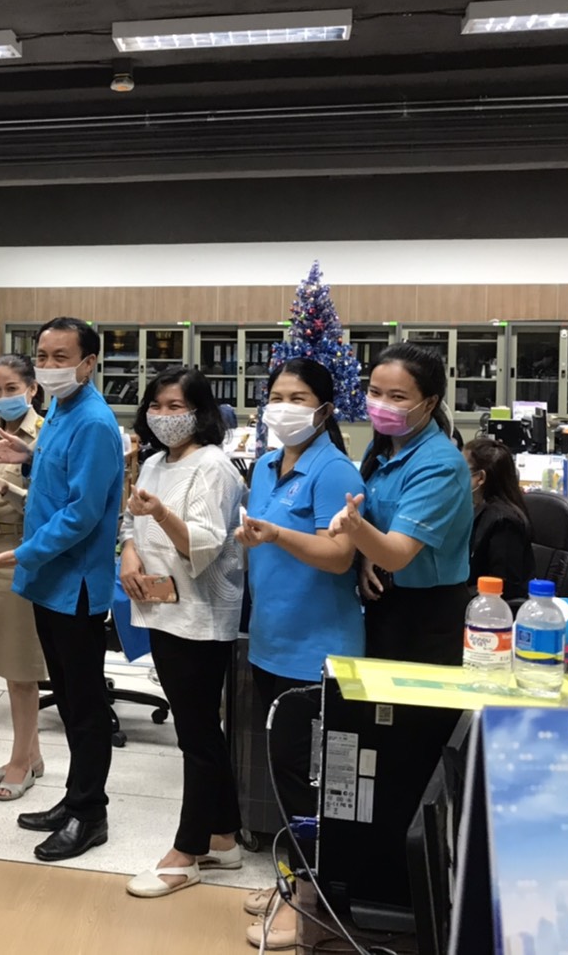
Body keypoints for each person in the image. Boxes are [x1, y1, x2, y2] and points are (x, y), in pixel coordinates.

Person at [0, 317, 124, 862]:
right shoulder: (60, 409)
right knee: (68, 694)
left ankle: (91, 813)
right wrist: (29, 457)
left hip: (74, 583)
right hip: (48, 580)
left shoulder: (96, 423)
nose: (50, 366)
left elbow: (83, 513)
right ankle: (74, 798)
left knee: (84, 705)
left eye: (62, 357)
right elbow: (59, 474)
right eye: (42, 356)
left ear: (89, 363)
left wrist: (20, 553)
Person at [234, 358, 364, 946]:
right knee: (283, 776)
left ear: (325, 409)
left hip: (317, 649)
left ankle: (310, 901)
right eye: (277, 396)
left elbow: (338, 556)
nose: (283, 407)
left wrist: (277, 534)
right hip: (271, 638)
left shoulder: (333, 469)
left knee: (310, 784)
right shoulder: (266, 465)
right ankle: (291, 881)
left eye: (299, 397)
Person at [119, 367, 245, 898]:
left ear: (200, 412)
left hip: (200, 616)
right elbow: (132, 522)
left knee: (196, 733)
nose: (164, 416)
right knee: (198, 728)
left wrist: (162, 513)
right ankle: (224, 837)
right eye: (157, 405)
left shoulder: (213, 467)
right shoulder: (153, 462)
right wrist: (128, 552)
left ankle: (187, 851)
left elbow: (204, 545)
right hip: (161, 608)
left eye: (177, 407)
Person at [329, 343, 473, 665]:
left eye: (397, 397)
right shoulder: (381, 449)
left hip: (427, 614)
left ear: (430, 402)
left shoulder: (439, 465)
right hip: (384, 600)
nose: (382, 405)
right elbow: (382, 529)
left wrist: (356, 528)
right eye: (374, 392)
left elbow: (396, 554)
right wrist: (368, 554)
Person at [0, 354, 49, 802]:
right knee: (6, 660)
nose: (2, 398)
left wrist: (10, 489)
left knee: (23, 668)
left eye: (11, 389)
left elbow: (50, 503)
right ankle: (29, 753)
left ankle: (21, 764)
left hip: (25, 550)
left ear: (32, 389)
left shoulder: (47, 435)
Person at [465, 437, 534, 601]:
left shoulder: (504, 521)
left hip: (492, 607)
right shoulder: (477, 509)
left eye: (461, 469)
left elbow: (505, 584)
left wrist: (457, 597)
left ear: (480, 478)